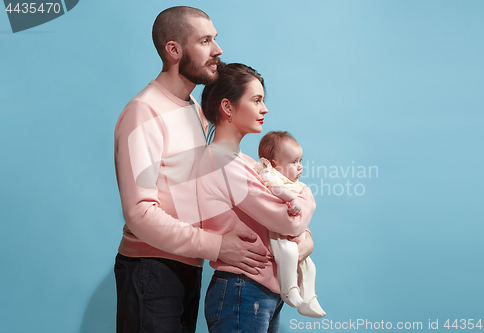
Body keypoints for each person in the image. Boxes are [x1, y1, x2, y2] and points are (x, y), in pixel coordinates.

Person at [113, 7, 268, 333]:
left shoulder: (193, 108)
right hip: (151, 269)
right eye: (205, 40)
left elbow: (202, 189)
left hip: (187, 265)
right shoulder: (143, 112)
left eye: (216, 39)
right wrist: (217, 246)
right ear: (174, 50)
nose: (218, 50)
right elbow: (140, 214)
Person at [197, 63, 316, 332]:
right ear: (227, 107)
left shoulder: (247, 163)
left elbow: (292, 222)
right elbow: (288, 221)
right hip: (243, 290)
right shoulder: (223, 163)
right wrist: (308, 198)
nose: (265, 109)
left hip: (258, 290)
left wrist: (305, 237)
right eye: (256, 100)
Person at [255, 131, 326, 318]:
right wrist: (292, 198)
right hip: (277, 234)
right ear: (273, 164)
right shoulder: (269, 174)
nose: (300, 166)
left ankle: (309, 299)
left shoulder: (293, 181)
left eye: (300, 161)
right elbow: (274, 188)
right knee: (289, 253)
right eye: (293, 162)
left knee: (310, 268)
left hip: (294, 231)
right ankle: (288, 288)